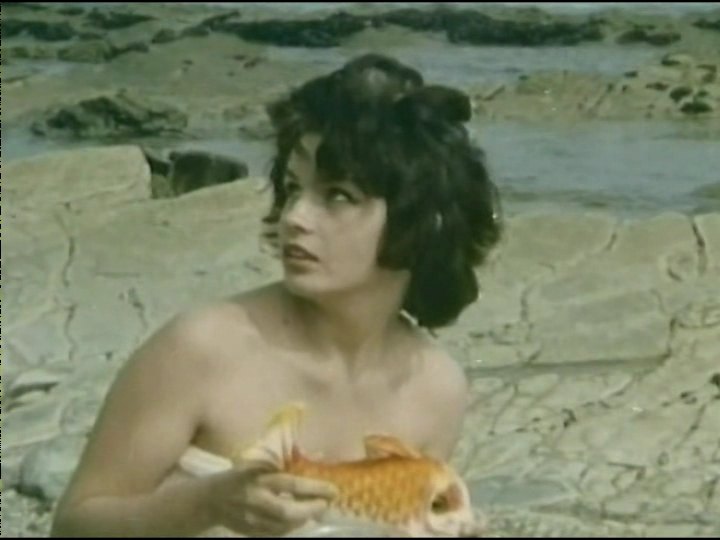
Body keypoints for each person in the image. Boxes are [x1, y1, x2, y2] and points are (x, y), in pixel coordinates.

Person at [50, 53, 503, 538]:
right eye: (291, 188)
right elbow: (73, 527)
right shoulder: (203, 349)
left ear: (421, 219)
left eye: (338, 195)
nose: (295, 217)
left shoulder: (435, 390)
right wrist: (207, 505)